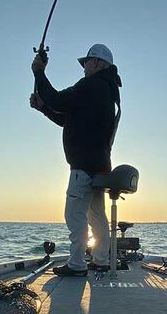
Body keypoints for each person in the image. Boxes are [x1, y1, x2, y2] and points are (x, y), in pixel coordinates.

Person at [30, 43, 122, 277]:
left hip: (83, 165)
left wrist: (39, 72)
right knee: (96, 216)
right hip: (100, 165)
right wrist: (43, 108)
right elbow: (68, 119)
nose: (83, 68)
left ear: (97, 63)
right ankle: (101, 259)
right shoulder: (107, 91)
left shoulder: (91, 85)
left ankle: (77, 263)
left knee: (75, 214)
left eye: (86, 63)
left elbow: (58, 100)